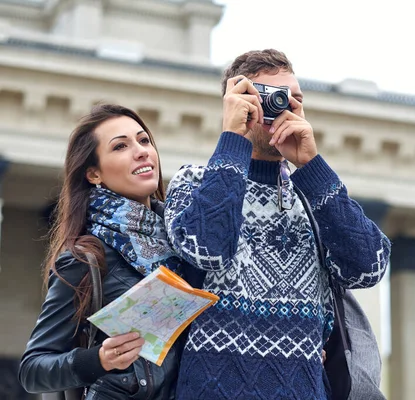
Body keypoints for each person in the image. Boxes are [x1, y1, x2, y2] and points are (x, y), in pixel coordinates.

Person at [164, 49, 391, 399]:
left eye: (291, 99)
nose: (281, 108)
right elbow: (207, 249)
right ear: (235, 102)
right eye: (266, 98)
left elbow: (369, 267)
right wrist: (233, 141)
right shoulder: (194, 180)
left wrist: (311, 165)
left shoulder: (313, 192)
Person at [19, 104, 187, 399]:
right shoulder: (84, 258)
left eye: (144, 140)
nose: (141, 151)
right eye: (121, 146)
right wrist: (99, 360)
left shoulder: (186, 242)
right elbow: (32, 370)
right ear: (94, 173)